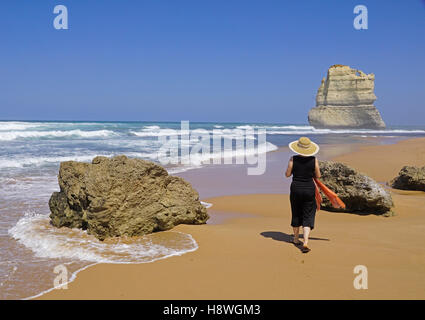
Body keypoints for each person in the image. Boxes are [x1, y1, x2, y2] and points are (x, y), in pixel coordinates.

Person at [285, 137, 321, 253]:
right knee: (308, 214)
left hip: (296, 189)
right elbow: (318, 175)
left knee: (296, 212)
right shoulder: (314, 160)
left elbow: (287, 174)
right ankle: (305, 242)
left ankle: (296, 239)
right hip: (309, 189)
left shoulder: (293, 159)